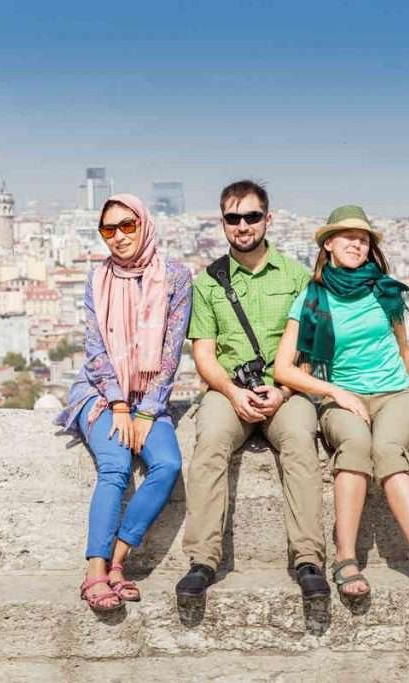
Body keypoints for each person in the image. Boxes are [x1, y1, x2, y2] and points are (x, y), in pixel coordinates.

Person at [274, 205, 409, 604]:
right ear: (328, 244)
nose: (356, 243)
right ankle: (345, 556)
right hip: (342, 397)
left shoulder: (384, 290)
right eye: (347, 236)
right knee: (354, 446)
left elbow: (403, 348)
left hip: (394, 394)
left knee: (386, 449)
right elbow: (284, 368)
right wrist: (335, 392)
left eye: (363, 238)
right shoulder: (311, 299)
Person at [176, 180, 329, 600]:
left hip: (286, 389)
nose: (242, 226)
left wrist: (281, 391)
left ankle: (309, 558)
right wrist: (231, 391)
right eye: (233, 218)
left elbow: (310, 348)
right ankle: (202, 560)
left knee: (300, 441)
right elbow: (204, 354)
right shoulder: (208, 283)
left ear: (268, 219)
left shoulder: (298, 277)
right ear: (222, 223)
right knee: (209, 445)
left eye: (251, 217)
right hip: (230, 391)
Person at [56, 194, 192, 612]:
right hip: (100, 393)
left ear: (144, 224)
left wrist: (147, 411)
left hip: (150, 397)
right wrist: (118, 404)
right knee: (115, 465)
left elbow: (170, 354)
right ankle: (95, 570)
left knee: (167, 464)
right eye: (108, 230)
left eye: (127, 226)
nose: (118, 237)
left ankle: (119, 558)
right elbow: (94, 349)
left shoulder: (176, 276)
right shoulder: (96, 279)